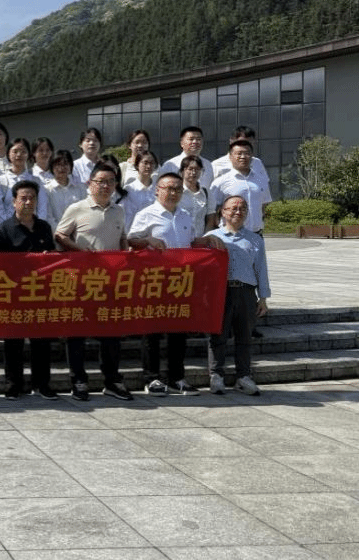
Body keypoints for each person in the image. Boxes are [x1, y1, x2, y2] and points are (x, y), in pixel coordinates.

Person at [54, 162, 132, 402]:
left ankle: (112, 380)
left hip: (109, 281)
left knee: (111, 333)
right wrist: (79, 251)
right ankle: (78, 380)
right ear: (90, 183)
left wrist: (125, 254)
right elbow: (60, 234)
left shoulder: (119, 211)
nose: (106, 186)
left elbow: (122, 238)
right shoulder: (77, 208)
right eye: (101, 181)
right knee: (77, 333)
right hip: (80, 281)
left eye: (111, 182)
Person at [128, 171, 211, 396]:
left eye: (177, 189)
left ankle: (177, 378)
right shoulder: (146, 214)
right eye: (168, 188)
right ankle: (152, 378)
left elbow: (191, 242)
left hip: (180, 281)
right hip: (154, 281)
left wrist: (209, 240)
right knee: (152, 332)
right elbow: (131, 240)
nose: (173, 193)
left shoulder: (185, 215)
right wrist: (147, 240)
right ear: (157, 190)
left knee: (178, 332)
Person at [0, 180, 57, 400]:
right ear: (13, 202)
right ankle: (13, 384)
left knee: (42, 341)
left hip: (40, 293)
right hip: (13, 295)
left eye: (32, 198)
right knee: (13, 342)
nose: (28, 202)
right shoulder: (2, 231)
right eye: (23, 198)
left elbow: (53, 259)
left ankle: (42, 384)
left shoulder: (44, 228)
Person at [205, 195, 269, 396]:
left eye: (242, 208)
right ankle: (216, 375)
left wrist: (263, 298)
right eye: (233, 208)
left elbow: (261, 269)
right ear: (222, 212)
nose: (238, 212)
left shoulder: (255, 239)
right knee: (218, 336)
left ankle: (244, 376)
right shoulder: (211, 238)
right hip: (220, 292)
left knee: (244, 337)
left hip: (246, 292)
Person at [207, 140, 273, 234]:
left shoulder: (261, 180)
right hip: (230, 234)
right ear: (230, 157)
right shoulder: (220, 182)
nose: (243, 157)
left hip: (256, 233)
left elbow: (264, 204)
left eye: (247, 153)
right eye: (239, 153)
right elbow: (212, 210)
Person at [0, 137, 48, 227]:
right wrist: (9, 229)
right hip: (6, 230)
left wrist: (37, 228)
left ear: (28, 155)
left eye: (23, 152)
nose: (19, 154)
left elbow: (42, 208)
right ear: (8, 154)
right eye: (15, 151)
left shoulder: (37, 181)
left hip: (32, 229)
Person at [119, 149, 158, 229]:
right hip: (135, 232)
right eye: (145, 163)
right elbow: (126, 216)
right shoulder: (129, 189)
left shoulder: (159, 189)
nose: (148, 166)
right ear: (137, 165)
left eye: (151, 163)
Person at [45, 149, 84, 227]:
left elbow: (85, 212)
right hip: (56, 232)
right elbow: (49, 218)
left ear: (70, 166)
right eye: (58, 164)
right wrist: (61, 233)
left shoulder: (81, 188)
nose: (61, 168)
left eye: (65, 164)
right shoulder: (47, 190)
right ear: (51, 167)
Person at [179, 155, 208, 237]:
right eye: (190, 169)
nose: (194, 172)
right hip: (180, 239)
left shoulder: (206, 193)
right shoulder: (176, 192)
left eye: (197, 169)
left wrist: (206, 237)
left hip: (200, 239)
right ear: (182, 171)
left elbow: (210, 218)